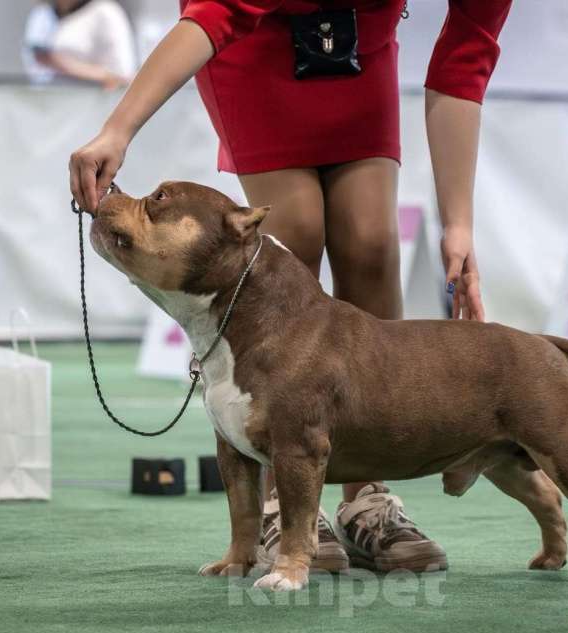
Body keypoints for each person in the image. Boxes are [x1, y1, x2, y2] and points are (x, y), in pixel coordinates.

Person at [69, 0, 512, 573]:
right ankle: (287, 503)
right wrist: (117, 130)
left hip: (359, 48)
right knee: (293, 231)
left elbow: (464, 58)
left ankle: (366, 499)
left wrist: (459, 225)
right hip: (254, 49)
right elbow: (215, 12)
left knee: (372, 243)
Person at [24, 0, 137, 89]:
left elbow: (122, 76)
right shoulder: (42, 13)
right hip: (45, 106)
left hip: (93, 106)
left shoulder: (106, 11)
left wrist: (62, 64)